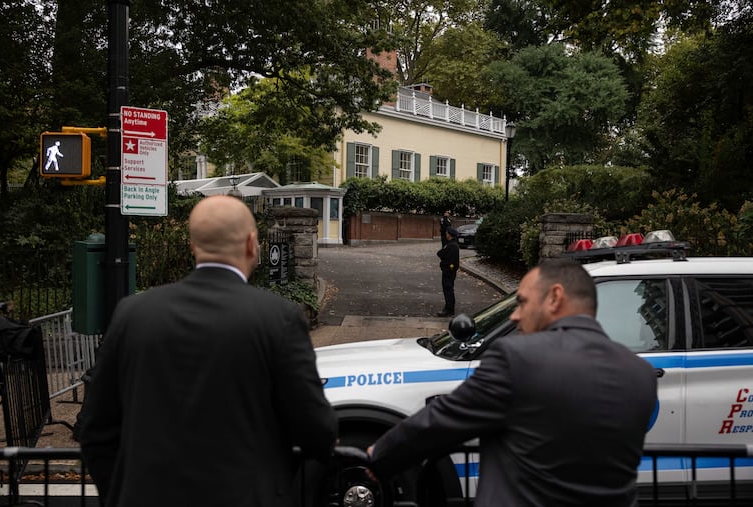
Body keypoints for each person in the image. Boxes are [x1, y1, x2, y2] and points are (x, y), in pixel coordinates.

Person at [79, 195, 338, 507]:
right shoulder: (278, 318)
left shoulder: (133, 314)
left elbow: (95, 431)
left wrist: (120, 495)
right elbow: (316, 431)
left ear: (193, 247)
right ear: (251, 244)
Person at [368, 259, 658, 507]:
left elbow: (442, 421)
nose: (515, 315)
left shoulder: (517, 357)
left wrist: (378, 456)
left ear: (555, 298)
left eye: (522, 302)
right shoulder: (641, 374)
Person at [437, 226, 459, 317]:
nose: (446, 234)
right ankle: (448, 308)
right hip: (449, 270)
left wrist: (445, 267)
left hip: (448, 271)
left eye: (447, 233)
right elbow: (440, 253)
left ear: (449, 235)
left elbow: (442, 254)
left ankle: (449, 309)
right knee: (448, 289)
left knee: (448, 290)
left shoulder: (452, 246)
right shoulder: (451, 244)